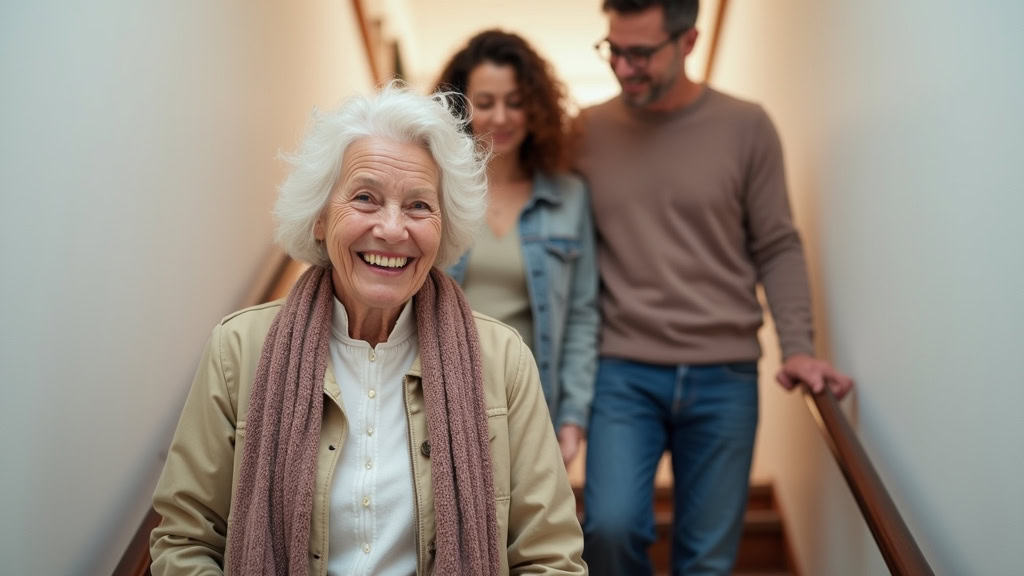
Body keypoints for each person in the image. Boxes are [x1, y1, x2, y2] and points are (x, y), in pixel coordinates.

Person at [149, 85, 586, 575]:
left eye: (419, 206)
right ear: (319, 217)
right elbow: (184, 541)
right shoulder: (238, 350)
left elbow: (551, 558)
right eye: (365, 198)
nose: (393, 229)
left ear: (444, 227)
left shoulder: (503, 360)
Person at [572, 1, 855, 574]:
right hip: (623, 371)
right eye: (614, 50)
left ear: (689, 41)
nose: (624, 67)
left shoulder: (746, 126)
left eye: (641, 53)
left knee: (707, 561)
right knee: (608, 528)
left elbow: (777, 244)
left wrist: (797, 346)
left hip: (723, 375)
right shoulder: (585, 132)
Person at [435, 30, 599, 467]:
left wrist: (571, 418)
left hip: (531, 403)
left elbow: (583, 313)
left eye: (516, 101)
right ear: (460, 106)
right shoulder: (434, 190)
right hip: (441, 398)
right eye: (485, 102)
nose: (501, 117)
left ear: (536, 107)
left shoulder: (570, 197)